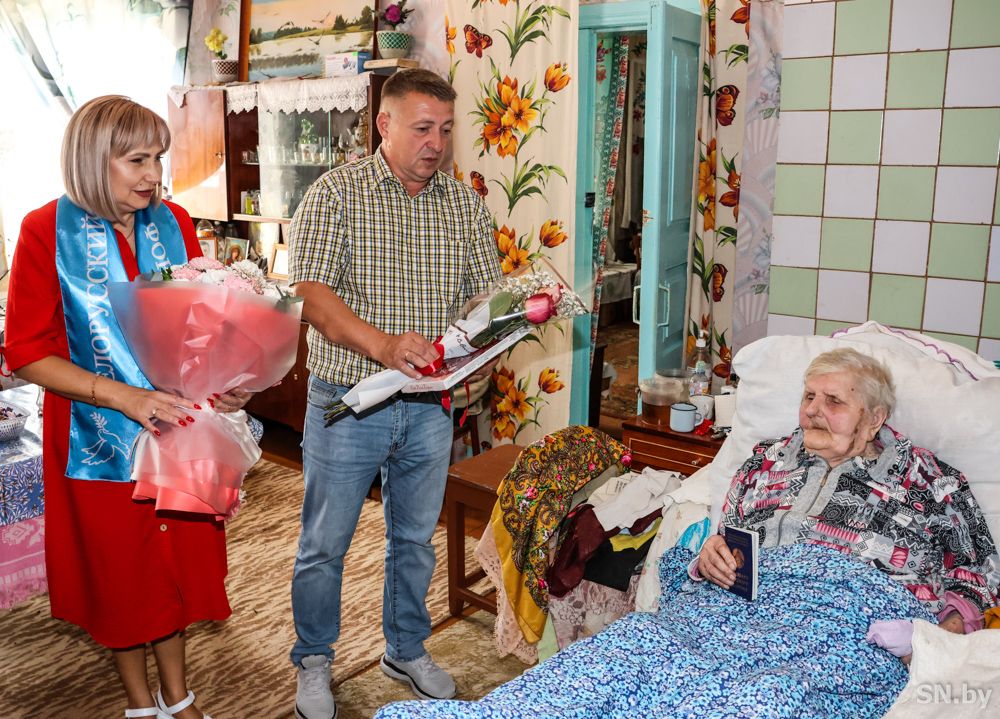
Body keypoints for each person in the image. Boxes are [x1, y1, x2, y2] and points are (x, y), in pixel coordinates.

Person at [1, 95, 252, 719]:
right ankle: (141, 702)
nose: (153, 175)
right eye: (137, 160)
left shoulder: (175, 221)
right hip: (95, 437)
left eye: (158, 158)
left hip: (178, 431)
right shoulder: (44, 230)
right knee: (121, 573)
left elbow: (198, 327)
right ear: (93, 159)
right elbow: (26, 353)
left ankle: (178, 694)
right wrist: (125, 397)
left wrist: (230, 381)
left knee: (173, 566)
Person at [286, 69, 502, 719]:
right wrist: (383, 346)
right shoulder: (335, 194)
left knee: (413, 540)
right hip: (348, 400)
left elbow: (483, 299)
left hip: (429, 406)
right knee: (325, 542)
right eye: (422, 128)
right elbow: (312, 297)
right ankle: (314, 660)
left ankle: (405, 648)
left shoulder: (464, 205)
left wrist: (487, 345)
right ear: (384, 124)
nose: (436, 142)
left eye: (446, 129)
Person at [696, 348, 1000, 651]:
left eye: (833, 401)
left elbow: (980, 576)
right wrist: (709, 557)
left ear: (874, 419)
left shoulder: (930, 481)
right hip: (733, 621)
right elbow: (725, 541)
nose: (812, 410)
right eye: (809, 396)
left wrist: (931, 646)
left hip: (850, 641)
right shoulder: (765, 462)